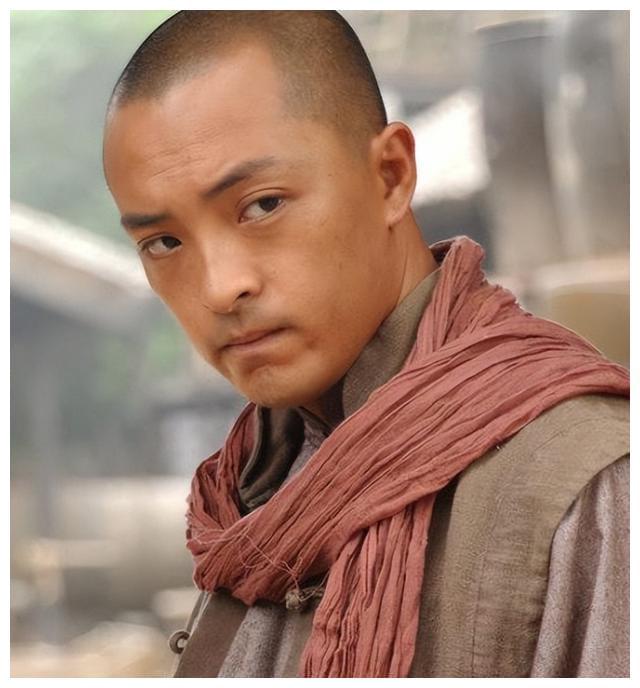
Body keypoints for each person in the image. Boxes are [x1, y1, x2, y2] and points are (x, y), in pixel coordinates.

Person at [102, 10, 629, 678]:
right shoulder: (252, 487)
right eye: (163, 242)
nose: (219, 288)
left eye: (263, 205)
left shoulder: (587, 485)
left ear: (390, 176)